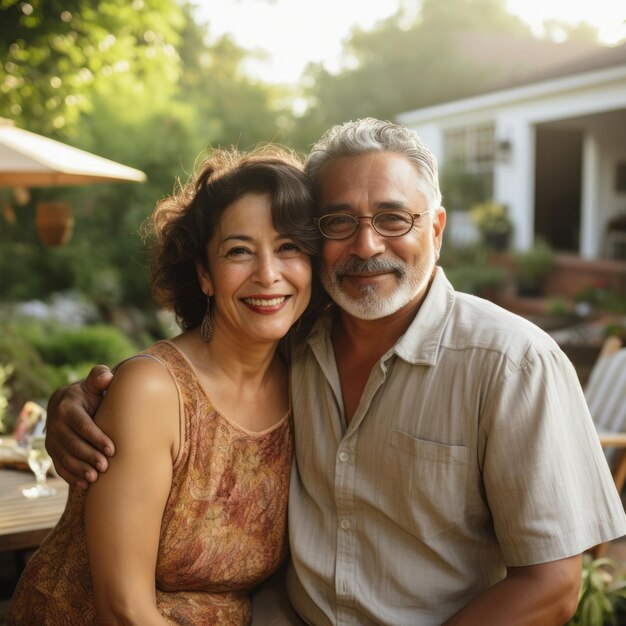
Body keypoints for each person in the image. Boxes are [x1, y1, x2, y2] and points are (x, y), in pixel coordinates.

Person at [44, 119, 626, 625]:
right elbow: (184, 383)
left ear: (438, 229)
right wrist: (82, 400)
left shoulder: (513, 365)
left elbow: (551, 588)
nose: (366, 244)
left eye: (394, 217)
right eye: (338, 222)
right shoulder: (295, 343)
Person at [8, 145, 321, 625]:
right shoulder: (154, 391)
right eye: (239, 250)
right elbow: (124, 610)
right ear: (204, 274)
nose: (267, 274)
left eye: (289, 248)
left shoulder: (308, 382)